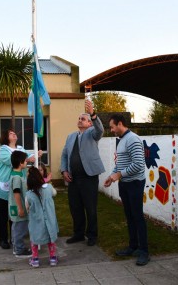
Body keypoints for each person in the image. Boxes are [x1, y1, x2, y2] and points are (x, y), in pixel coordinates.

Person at [104, 113, 150, 266]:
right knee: (129, 216)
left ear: (120, 124)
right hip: (124, 183)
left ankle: (144, 251)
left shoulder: (133, 139)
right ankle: (133, 246)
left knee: (137, 216)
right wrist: (112, 176)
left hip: (135, 183)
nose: (111, 130)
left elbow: (138, 164)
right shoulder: (122, 140)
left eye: (112, 127)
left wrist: (119, 174)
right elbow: (120, 162)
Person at [60, 99, 105, 246]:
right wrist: (64, 170)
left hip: (89, 176)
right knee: (75, 207)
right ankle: (78, 234)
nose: (80, 120)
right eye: (79, 118)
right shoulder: (71, 136)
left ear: (89, 123)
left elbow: (101, 130)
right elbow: (65, 154)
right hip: (73, 177)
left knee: (90, 207)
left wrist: (92, 113)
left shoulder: (92, 133)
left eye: (83, 119)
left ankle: (92, 235)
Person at [0, 129, 39, 250]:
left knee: (15, 212)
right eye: (11, 133)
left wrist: (37, 154)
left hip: (17, 185)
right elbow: (14, 161)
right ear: (6, 138)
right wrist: (28, 159)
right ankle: (3, 239)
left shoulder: (21, 148)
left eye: (14, 133)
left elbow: (30, 156)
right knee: (2, 213)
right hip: (1, 186)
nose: (14, 134)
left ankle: (14, 238)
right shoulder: (3, 150)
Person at [26, 166, 59, 268]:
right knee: (51, 239)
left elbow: (27, 207)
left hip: (36, 221)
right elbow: (55, 193)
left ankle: (35, 259)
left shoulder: (29, 194)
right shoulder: (48, 188)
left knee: (34, 239)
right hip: (50, 219)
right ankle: (53, 258)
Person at [8, 150, 32, 257]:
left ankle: (16, 247)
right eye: (25, 161)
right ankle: (19, 250)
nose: (26, 163)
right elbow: (16, 193)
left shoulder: (16, 173)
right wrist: (20, 208)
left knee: (16, 227)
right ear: (20, 163)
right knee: (20, 229)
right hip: (18, 207)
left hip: (15, 207)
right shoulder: (17, 177)